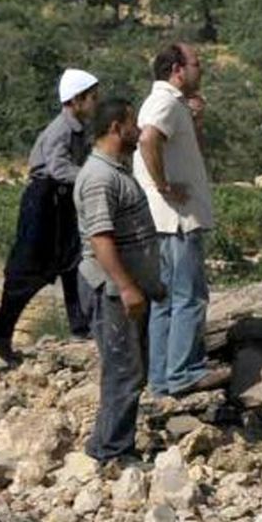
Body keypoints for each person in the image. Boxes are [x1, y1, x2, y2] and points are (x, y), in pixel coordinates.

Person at [133, 44, 230, 395]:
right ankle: (184, 372)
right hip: (177, 219)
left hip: (166, 220)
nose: (200, 70)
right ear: (177, 69)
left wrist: (196, 119)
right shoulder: (165, 102)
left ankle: (162, 377)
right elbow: (149, 139)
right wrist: (164, 185)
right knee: (189, 296)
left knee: (166, 300)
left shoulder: (172, 104)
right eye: (196, 64)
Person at [74, 98, 164, 463]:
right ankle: (111, 452)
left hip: (123, 288)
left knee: (129, 369)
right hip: (111, 291)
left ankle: (109, 443)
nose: (139, 131)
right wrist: (126, 286)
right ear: (115, 128)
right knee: (123, 370)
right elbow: (100, 239)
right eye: (133, 124)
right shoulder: (100, 177)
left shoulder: (115, 171)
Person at [0, 69, 98, 363]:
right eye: (92, 97)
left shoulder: (79, 129)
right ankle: (2, 329)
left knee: (74, 263)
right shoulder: (60, 131)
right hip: (45, 201)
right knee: (29, 268)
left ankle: (81, 326)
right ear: (76, 100)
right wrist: (93, 177)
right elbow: (59, 169)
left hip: (63, 202)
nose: (95, 103)